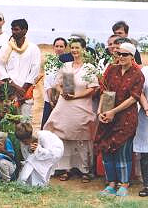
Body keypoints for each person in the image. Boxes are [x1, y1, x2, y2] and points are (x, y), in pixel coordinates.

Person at [44, 38, 99, 183]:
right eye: (72, 48)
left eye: (77, 48)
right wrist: (62, 92)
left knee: (82, 136)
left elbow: (93, 88)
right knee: (64, 135)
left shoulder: (89, 68)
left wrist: (76, 96)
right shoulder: (66, 66)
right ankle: (66, 168)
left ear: (83, 50)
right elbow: (57, 83)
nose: (75, 51)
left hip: (81, 106)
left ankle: (85, 170)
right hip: (65, 106)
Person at [95, 42, 144, 197]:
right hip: (107, 115)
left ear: (132, 56)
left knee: (122, 151)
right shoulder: (111, 69)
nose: (121, 57)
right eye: (119, 54)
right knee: (106, 149)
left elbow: (133, 99)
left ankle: (123, 184)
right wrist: (100, 111)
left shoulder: (138, 74)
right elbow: (104, 90)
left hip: (126, 117)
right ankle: (111, 183)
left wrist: (113, 112)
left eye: (125, 54)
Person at [0, 19, 41, 117]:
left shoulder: (33, 48)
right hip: (9, 91)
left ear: (25, 31)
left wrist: (23, 89)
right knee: (7, 123)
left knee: (24, 123)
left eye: (16, 29)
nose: (13, 32)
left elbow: (35, 70)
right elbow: (0, 66)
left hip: (25, 93)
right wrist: (14, 86)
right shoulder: (6, 47)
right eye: (12, 29)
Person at [16, 122, 64, 186]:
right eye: (22, 141)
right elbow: (26, 156)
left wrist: (39, 149)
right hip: (40, 155)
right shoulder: (23, 142)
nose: (24, 143)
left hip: (54, 152)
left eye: (25, 141)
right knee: (31, 162)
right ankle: (27, 182)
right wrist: (30, 151)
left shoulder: (43, 136)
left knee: (34, 163)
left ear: (30, 137)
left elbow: (51, 153)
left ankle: (38, 184)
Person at [41, 37, 67, 128]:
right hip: (49, 99)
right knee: (46, 126)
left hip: (63, 100)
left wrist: (59, 97)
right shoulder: (49, 62)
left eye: (61, 46)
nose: (59, 48)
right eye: (57, 46)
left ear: (65, 48)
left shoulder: (68, 63)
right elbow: (47, 82)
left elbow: (67, 83)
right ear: (53, 47)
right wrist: (51, 100)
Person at [133, 65, 148, 197]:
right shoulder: (145, 71)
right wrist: (146, 107)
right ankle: (147, 186)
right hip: (146, 115)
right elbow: (140, 91)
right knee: (146, 154)